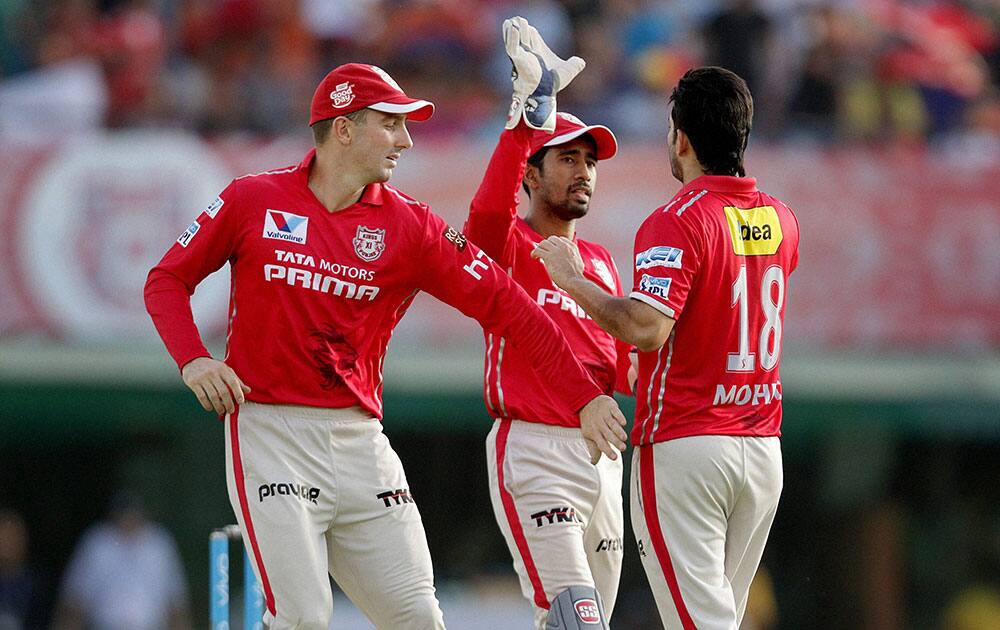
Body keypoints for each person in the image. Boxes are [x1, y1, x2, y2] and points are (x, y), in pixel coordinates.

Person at [143, 61, 626, 630]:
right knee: (303, 617)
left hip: (361, 443)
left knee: (420, 619)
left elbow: (511, 307)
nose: (406, 139)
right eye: (391, 124)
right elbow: (166, 280)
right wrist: (194, 358)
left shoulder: (412, 226)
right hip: (269, 432)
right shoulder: (253, 199)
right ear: (343, 128)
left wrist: (585, 397)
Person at [531, 66, 800, 629]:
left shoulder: (677, 219)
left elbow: (648, 328)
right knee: (720, 617)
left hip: (688, 446)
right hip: (762, 448)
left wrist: (574, 280)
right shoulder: (781, 218)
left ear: (680, 138)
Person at [463, 17, 633, 630]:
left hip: (604, 460)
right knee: (573, 619)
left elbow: (623, 367)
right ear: (531, 174)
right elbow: (485, 213)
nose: (583, 171)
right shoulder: (507, 243)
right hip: (534, 448)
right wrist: (526, 122)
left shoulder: (602, 265)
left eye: (589, 161)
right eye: (566, 159)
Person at [50, 494, 191, 630]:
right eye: (123, 515)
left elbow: (175, 602)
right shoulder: (97, 542)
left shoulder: (159, 543)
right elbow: (74, 600)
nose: (127, 520)